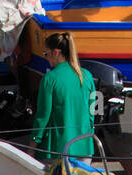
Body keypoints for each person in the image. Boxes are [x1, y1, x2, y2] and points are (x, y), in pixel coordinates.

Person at [31, 31, 95, 161]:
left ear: (56, 52)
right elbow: (92, 112)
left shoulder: (50, 78)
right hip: (85, 146)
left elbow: (43, 116)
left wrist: (32, 146)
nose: (46, 57)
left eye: (46, 53)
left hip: (57, 148)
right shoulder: (87, 76)